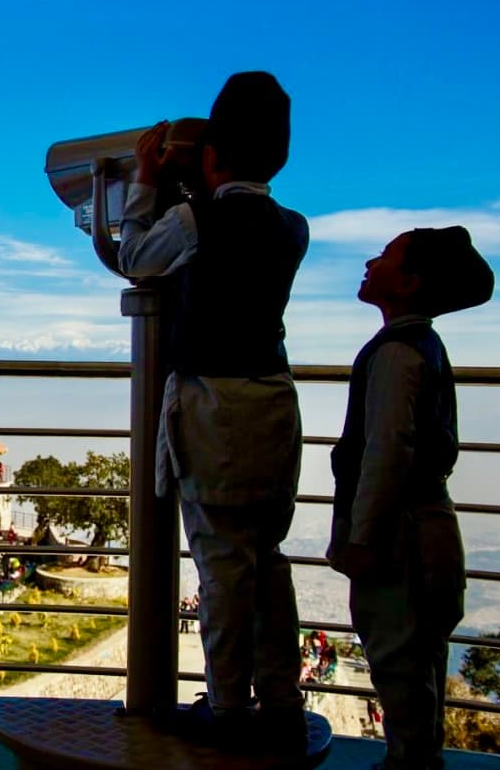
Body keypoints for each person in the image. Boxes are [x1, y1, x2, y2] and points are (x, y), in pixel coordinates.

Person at [117, 72, 308, 751]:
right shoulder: (293, 227)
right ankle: (282, 699)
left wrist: (144, 181)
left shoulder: (196, 220)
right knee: (268, 559)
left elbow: (136, 256)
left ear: (212, 154)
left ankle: (227, 708)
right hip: (276, 400)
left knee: (222, 566)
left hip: (216, 407)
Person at [327, 226, 492, 770]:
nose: (371, 261)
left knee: (399, 661)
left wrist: (361, 536)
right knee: (420, 661)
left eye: (387, 256)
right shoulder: (423, 346)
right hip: (427, 525)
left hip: (402, 535)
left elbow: (386, 453)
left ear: (410, 282)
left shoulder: (397, 354)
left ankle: (410, 765)